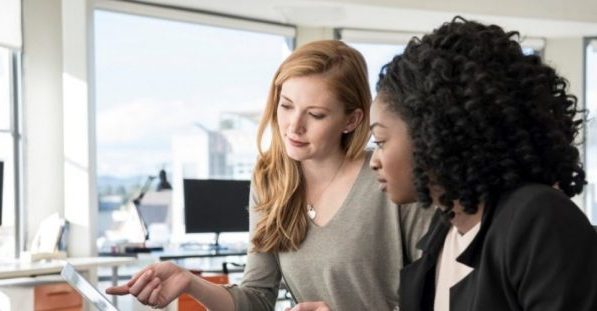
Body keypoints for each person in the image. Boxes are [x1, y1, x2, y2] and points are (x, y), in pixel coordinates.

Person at [106, 40, 432, 311]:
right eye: (286, 105)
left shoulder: (390, 176)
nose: (294, 126)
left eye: (316, 115)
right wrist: (190, 282)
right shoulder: (270, 181)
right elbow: (258, 297)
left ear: (351, 120)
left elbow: (441, 296)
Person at [369, 17, 597, 311]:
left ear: (434, 132)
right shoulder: (442, 235)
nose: (374, 161)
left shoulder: (538, 218)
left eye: (380, 141)